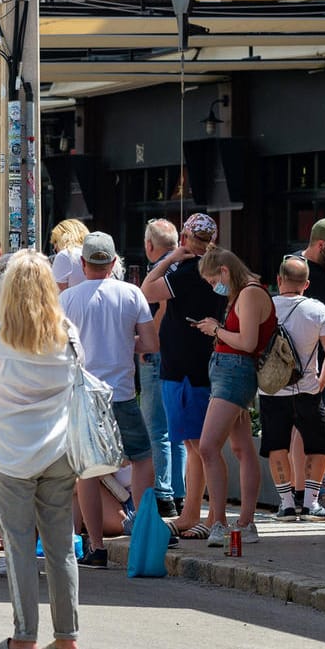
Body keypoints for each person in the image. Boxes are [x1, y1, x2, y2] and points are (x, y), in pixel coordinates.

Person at [0, 249, 84, 649]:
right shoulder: (66, 330)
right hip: (60, 451)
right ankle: (67, 638)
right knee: (61, 547)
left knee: (18, 546)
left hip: (13, 453)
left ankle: (24, 639)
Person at [56, 231, 157, 569]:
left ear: (83, 264)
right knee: (142, 459)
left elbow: (58, 347)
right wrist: (127, 346)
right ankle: (143, 532)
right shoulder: (132, 294)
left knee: (88, 469)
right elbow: (151, 343)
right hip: (122, 393)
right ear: (114, 263)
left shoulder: (67, 299)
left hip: (83, 395)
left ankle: (96, 547)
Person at [142, 214, 227, 542]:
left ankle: (207, 515)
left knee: (200, 446)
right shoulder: (217, 269)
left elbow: (147, 291)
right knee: (194, 445)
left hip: (186, 368)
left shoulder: (191, 270)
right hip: (193, 363)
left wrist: (172, 258)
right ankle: (193, 512)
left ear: (188, 240)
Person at [192, 248, 275, 547]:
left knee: (208, 446)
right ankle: (244, 522)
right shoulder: (245, 293)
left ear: (225, 271)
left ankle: (220, 522)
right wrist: (220, 329)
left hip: (235, 371)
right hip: (230, 369)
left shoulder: (250, 293)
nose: (214, 286)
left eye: (213, 280)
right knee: (240, 448)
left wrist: (217, 329)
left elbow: (248, 342)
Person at [261, 257, 325, 520]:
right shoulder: (318, 310)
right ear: (306, 284)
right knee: (318, 447)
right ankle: (310, 503)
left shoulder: (264, 307)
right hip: (307, 390)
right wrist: (320, 383)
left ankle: (285, 504)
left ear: (279, 280)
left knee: (276, 446)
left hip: (272, 391)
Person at [137, 219, 184, 518]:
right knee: (175, 431)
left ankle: (164, 493)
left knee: (156, 428)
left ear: (149, 245)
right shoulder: (182, 265)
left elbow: (165, 309)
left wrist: (147, 342)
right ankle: (178, 493)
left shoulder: (165, 268)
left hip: (160, 354)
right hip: (181, 354)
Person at [51, 218, 89, 292]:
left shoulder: (65, 255)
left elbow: (56, 294)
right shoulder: (90, 252)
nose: (55, 247)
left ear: (64, 237)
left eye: (55, 241)